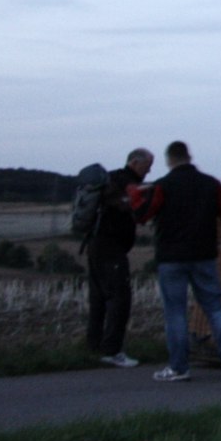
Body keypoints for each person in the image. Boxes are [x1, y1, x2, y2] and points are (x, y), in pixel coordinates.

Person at [131, 141, 221, 382]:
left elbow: (142, 215)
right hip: (204, 254)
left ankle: (179, 367)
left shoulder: (163, 185)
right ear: (189, 156)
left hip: (172, 256)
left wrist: (135, 196)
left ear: (169, 159)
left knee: (176, 313)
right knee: (214, 306)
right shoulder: (211, 184)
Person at [86, 147, 152, 368]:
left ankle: (93, 347)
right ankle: (112, 351)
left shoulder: (112, 178)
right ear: (135, 162)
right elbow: (126, 204)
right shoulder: (122, 181)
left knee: (99, 299)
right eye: (147, 166)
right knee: (119, 298)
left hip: (97, 245)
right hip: (110, 247)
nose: (149, 171)